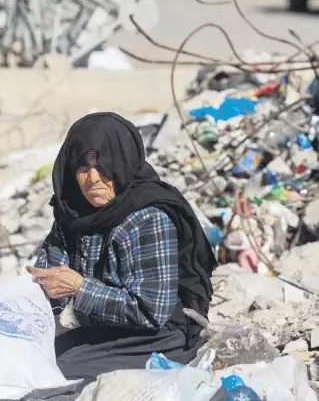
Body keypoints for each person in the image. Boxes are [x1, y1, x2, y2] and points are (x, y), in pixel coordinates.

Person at [26, 112, 217, 390]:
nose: (93, 178)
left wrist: (80, 288)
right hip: (102, 331)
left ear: (122, 163)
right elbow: (49, 276)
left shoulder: (147, 217)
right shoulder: (72, 214)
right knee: (26, 359)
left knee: (51, 380)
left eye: (103, 166)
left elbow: (151, 312)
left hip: (157, 337)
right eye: (83, 166)